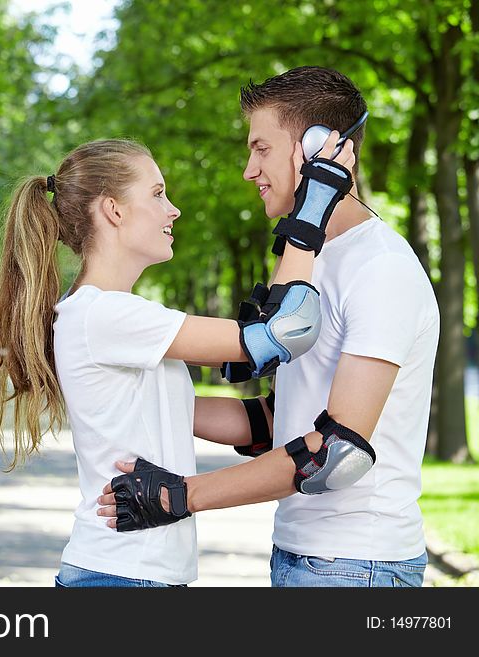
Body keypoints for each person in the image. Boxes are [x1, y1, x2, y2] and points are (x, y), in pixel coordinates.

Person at [99, 66, 439, 588]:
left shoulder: (382, 269)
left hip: (357, 565)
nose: (248, 169)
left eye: (261, 148)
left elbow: (335, 452)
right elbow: (276, 421)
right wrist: (132, 402)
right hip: (302, 556)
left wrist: (181, 495)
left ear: (320, 145)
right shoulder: (311, 263)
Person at [0, 132, 355, 587]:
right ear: (113, 210)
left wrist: (279, 422)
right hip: (123, 574)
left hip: (130, 573)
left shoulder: (104, 314)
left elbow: (196, 407)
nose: (172, 209)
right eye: (158, 194)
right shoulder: (105, 314)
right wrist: (315, 199)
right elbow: (285, 330)